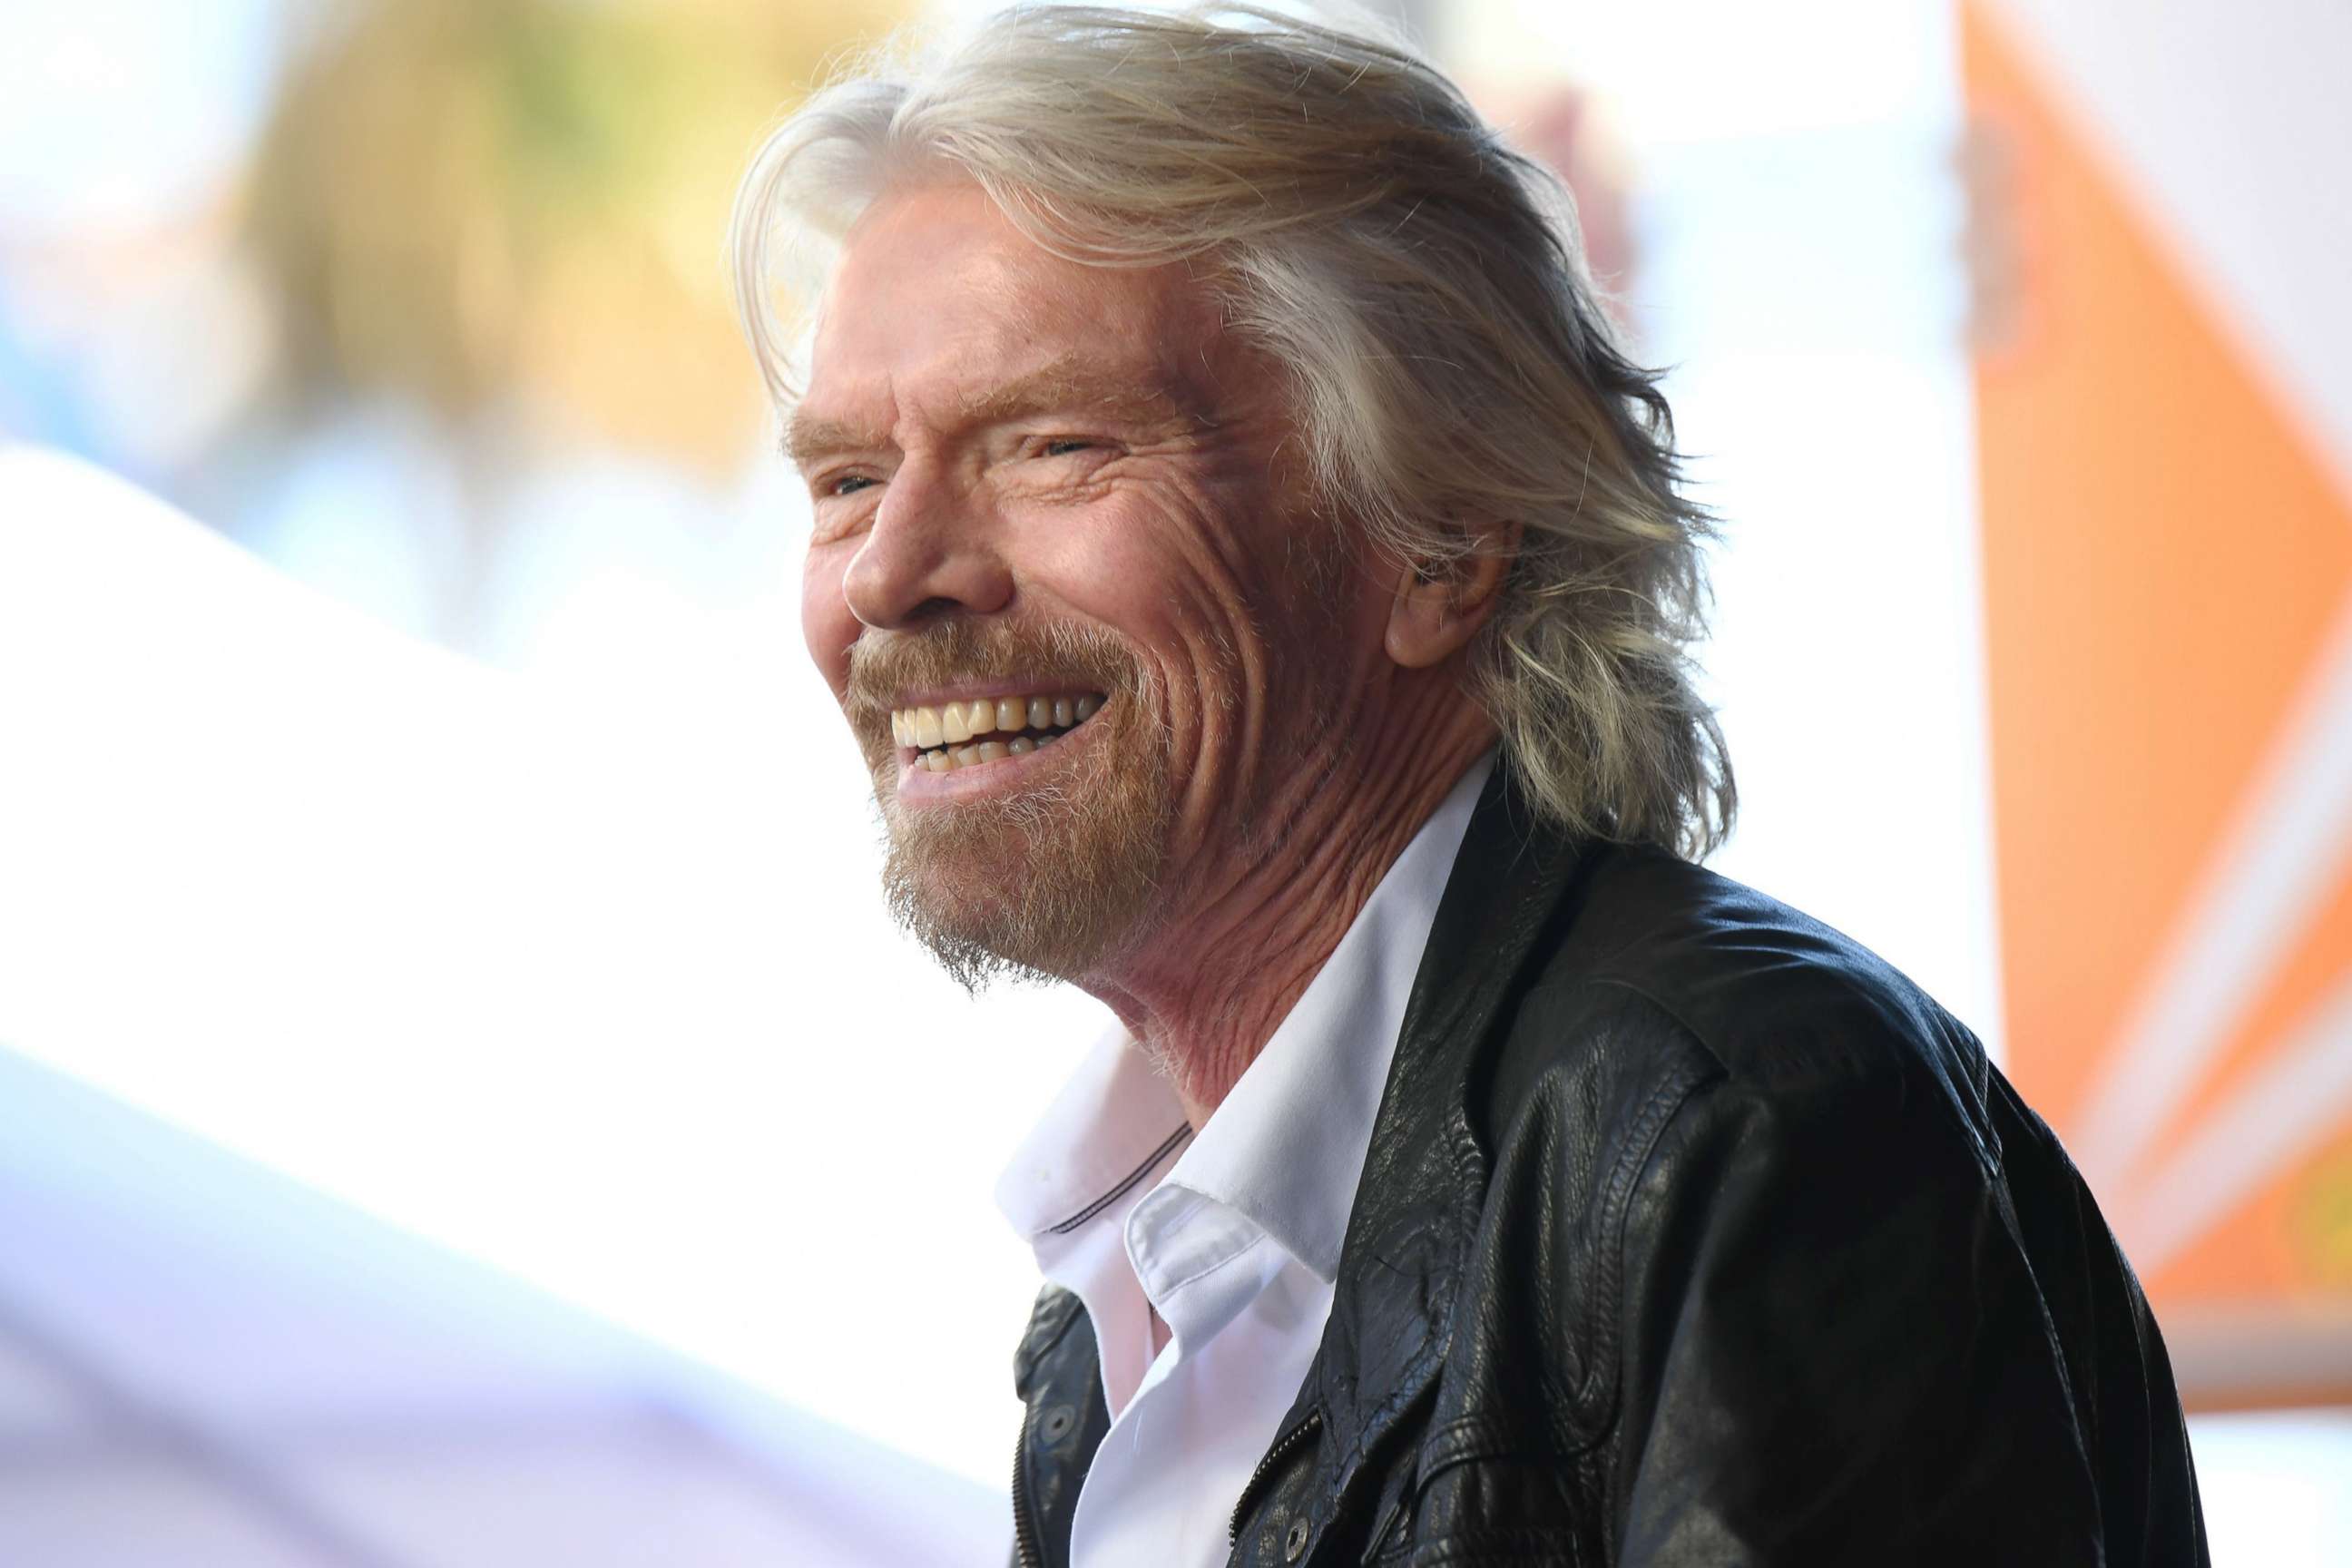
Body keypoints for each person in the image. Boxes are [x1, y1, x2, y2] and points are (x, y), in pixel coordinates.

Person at [729, 5, 2209, 1563]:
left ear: (1439, 538)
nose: (888, 573)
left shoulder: (1743, 1144)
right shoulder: (1121, 1308)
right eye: (844, 481)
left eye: (1047, 445)